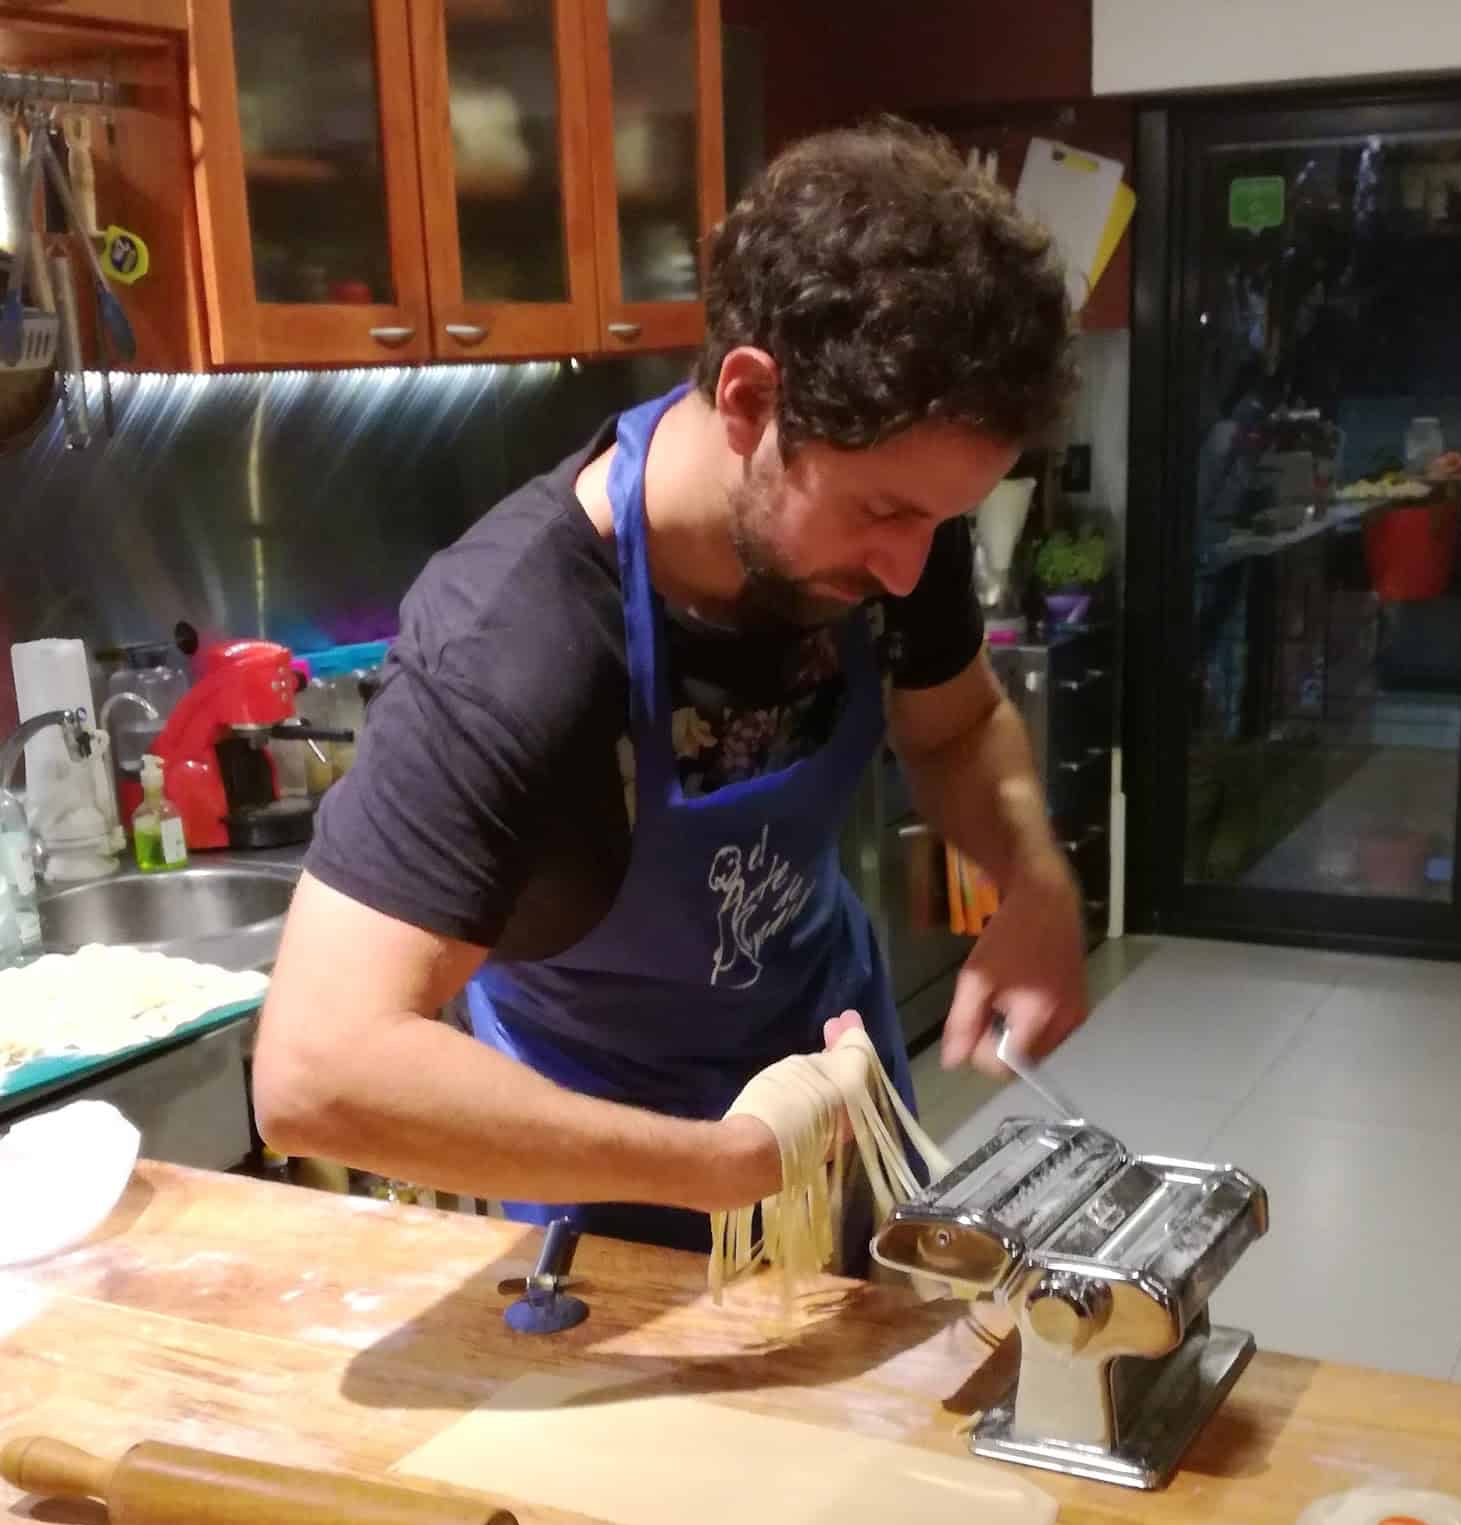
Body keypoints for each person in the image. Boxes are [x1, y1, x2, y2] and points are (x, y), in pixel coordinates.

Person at [254, 119, 1089, 1259]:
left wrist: (1031, 879)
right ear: (748, 400)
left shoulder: (898, 518)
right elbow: (315, 1067)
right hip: (601, 1163)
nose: (909, 567)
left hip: (836, 1092)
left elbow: (957, 726)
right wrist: (728, 1166)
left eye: (938, 521)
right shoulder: (515, 641)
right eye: (885, 512)